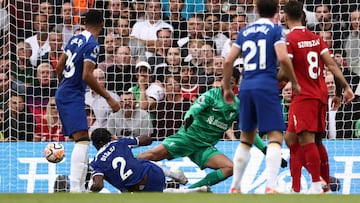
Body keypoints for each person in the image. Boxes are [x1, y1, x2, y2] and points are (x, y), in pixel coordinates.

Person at [222, 0, 300, 194]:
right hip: (266, 84)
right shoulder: (276, 30)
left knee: (247, 137)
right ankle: (271, 186)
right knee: (275, 135)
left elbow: (229, 61)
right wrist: (294, 81)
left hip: (246, 85)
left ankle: (235, 186)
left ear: (256, 10)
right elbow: (282, 58)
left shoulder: (244, 31)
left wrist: (226, 88)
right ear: (276, 11)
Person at [282, 1, 354, 193]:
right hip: (320, 94)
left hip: (304, 95)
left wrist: (265, 80)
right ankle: (297, 187)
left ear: (285, 17)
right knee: (293, 138)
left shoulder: (290, 40)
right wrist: (344, 88)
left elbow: (284, 72)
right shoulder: (315, 38)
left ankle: (317, 183)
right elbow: (332, 65)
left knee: (306, 140)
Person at [137, 68, 240, 189]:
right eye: (225, 80)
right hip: (188, 138)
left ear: (237, 84)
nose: (227, 85)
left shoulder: (237, 105)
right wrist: (188, 118)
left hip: (204, 146)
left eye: (231, 82)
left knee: (230, 167)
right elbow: (194, 109)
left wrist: (263, 148)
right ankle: (126, 169)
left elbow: (251, 131)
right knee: (148, 156)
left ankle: (190, 190)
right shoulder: (211, 95)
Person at [55, 9, 120, 193]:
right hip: (72, 93)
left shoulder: (75, 38)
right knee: (83, 139)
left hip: (65, 91)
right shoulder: (93, 44)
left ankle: (78, 186)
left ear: (84, 22)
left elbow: (59, 66)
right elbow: (86, 75)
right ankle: (76, 187)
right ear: (102, 24)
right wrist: (109, 98)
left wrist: (63, 86)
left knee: (81, 138)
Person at [89, 128, 208, 193]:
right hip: (153, 174)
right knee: (141, 159)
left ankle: (193, 190)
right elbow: (148, 140)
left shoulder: (96, 163)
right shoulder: (119, 142)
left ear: (95, 144)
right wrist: (122, 139)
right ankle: (173, 174)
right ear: (110, 137)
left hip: (135, 189)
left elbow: (99, 185)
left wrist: (91, 191)